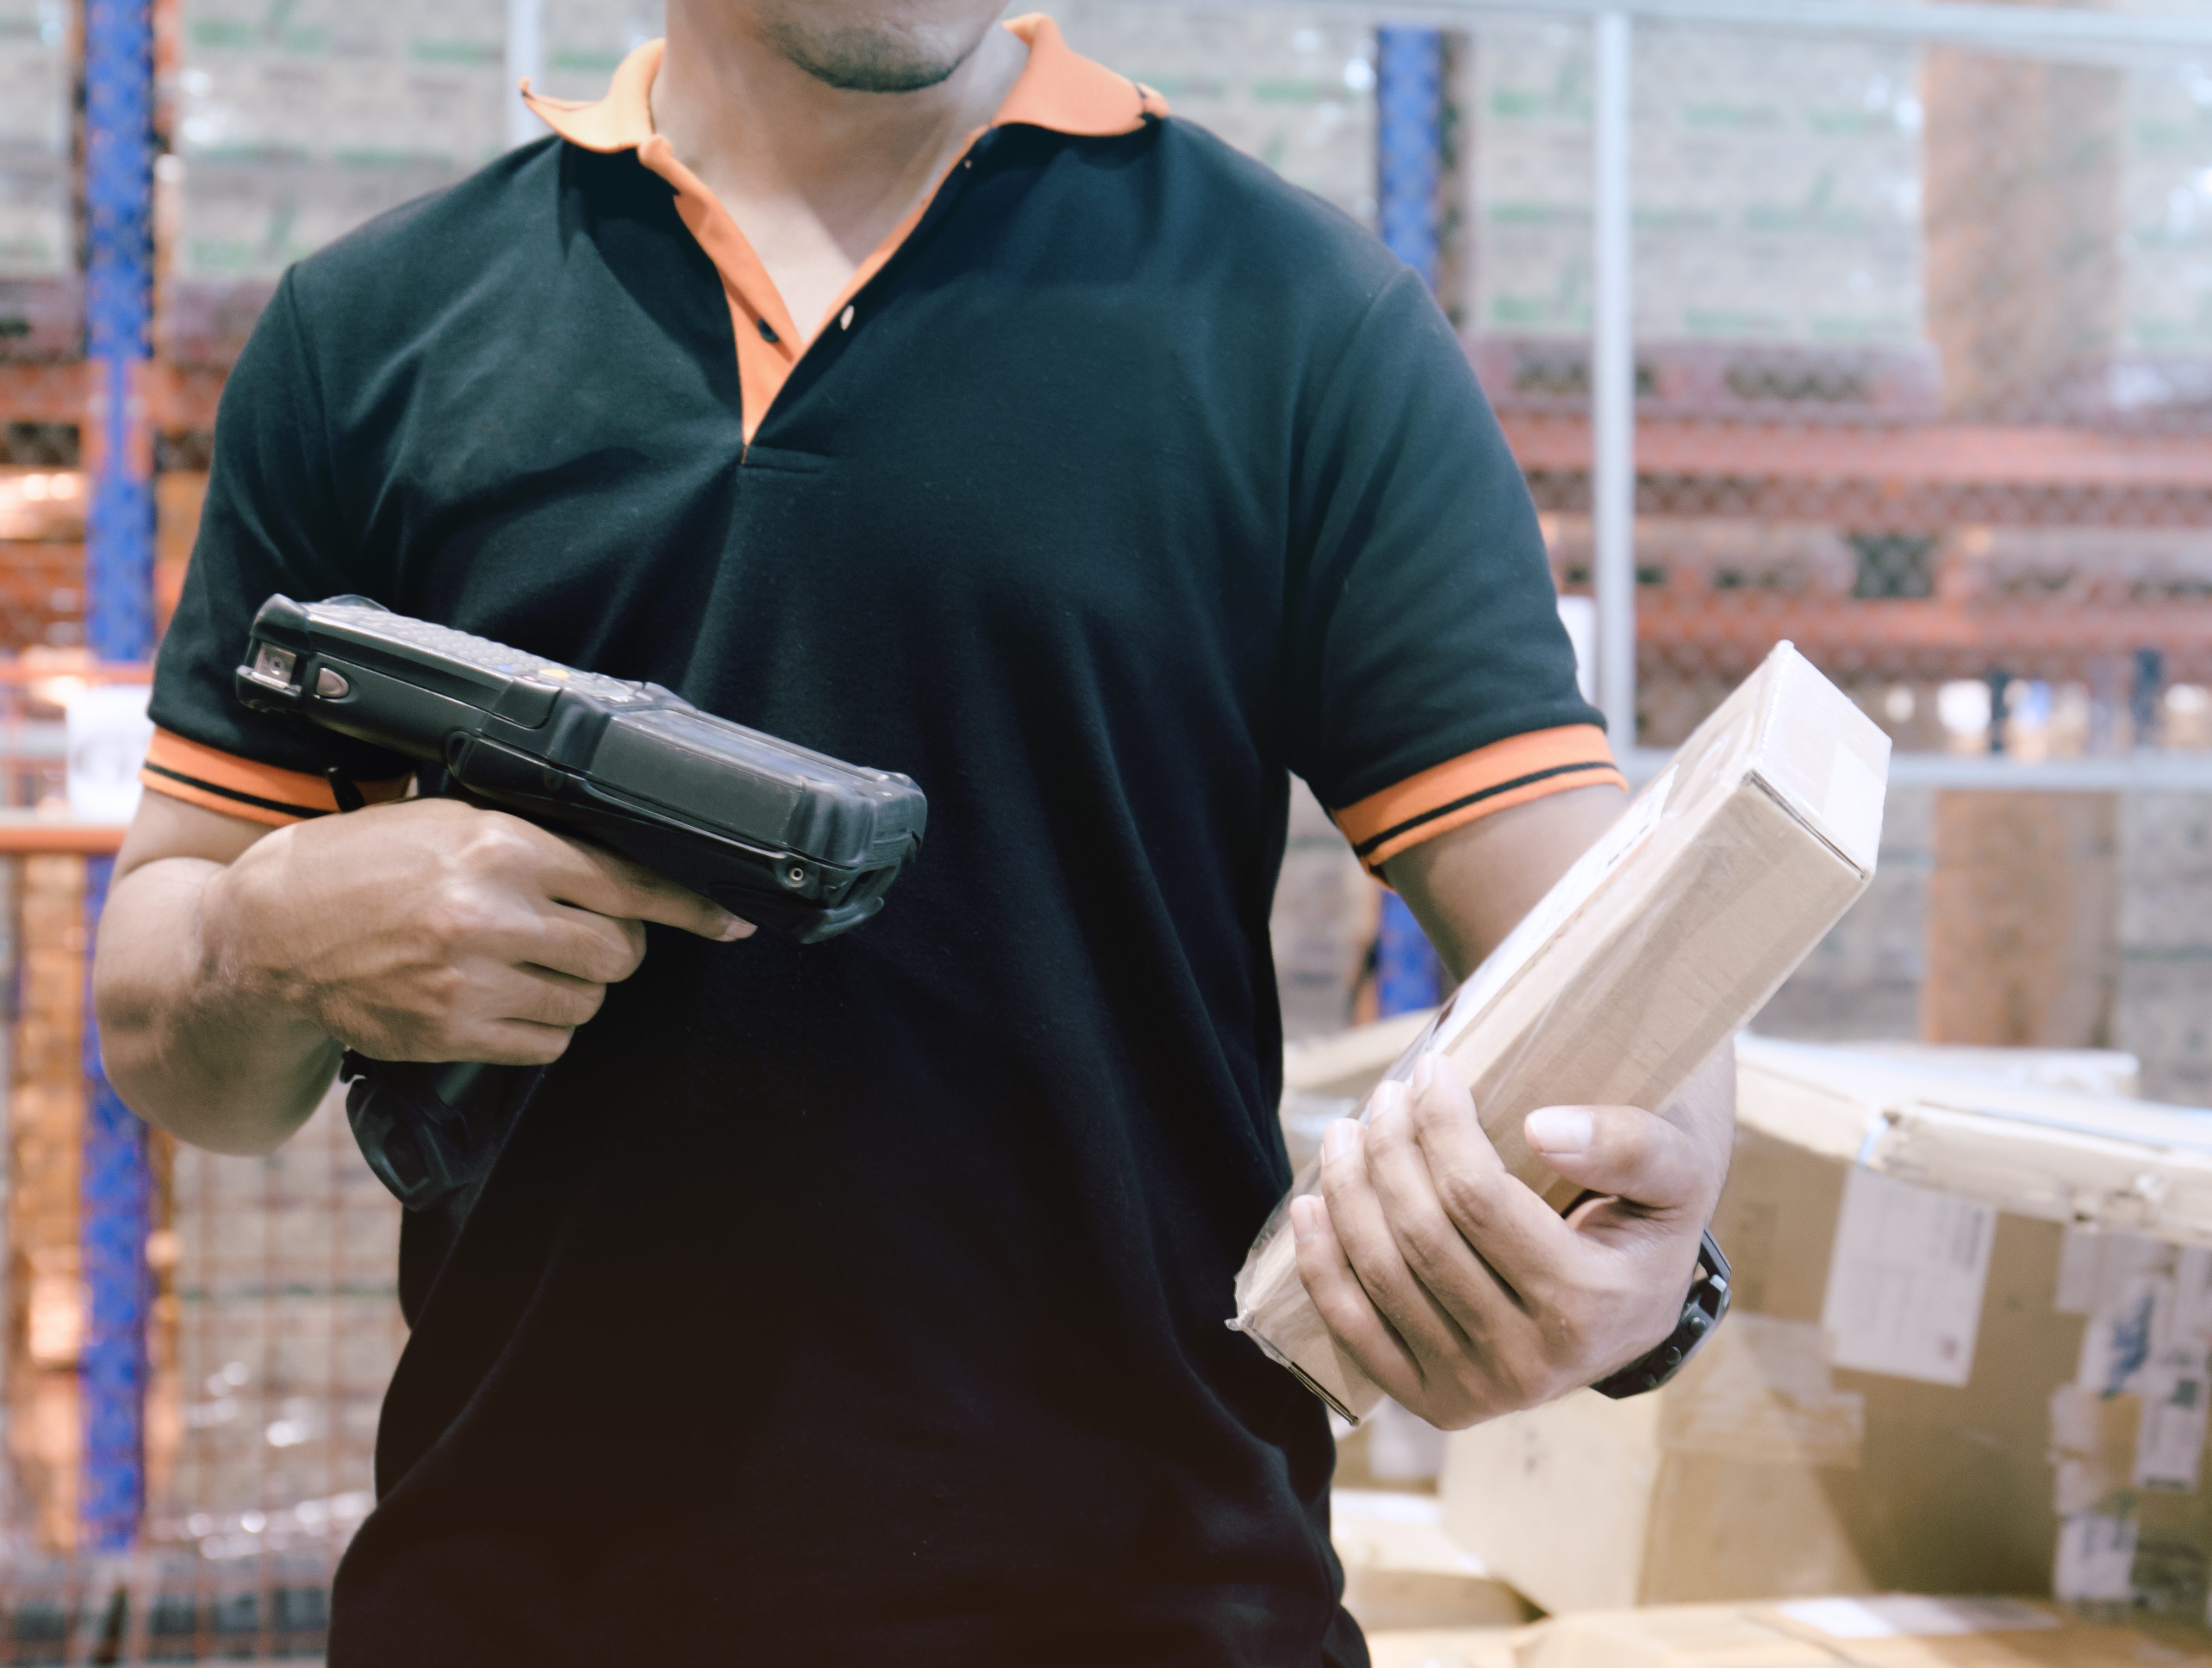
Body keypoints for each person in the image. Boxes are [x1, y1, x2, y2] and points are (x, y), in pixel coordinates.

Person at [91, 3, 1733, 1662]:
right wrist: (269, 939)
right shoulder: (372, 333)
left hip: (1148, 1615)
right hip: (516, 1606)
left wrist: (1649, 1259)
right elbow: (170, 1021)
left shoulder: (1303, 327)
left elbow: (1605, 938)